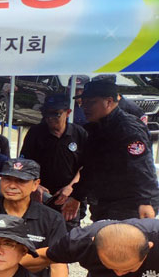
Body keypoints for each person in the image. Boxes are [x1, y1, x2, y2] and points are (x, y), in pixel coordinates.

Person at [63, 80, 158, 222]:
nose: (85, 107)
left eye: (91, 102)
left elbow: (142, 167)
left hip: (132, 203)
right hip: (106, 200)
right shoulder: (95, 128)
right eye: (84, 102)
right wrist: (77, 195)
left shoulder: (127, 129)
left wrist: (145, 201)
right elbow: (91, 168)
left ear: (109, 102)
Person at [19, 93, 87, 228]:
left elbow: (86, 167)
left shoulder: (79, 134)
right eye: (46, 114)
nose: (50, 119)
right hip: (40, 196)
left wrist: (71, 188)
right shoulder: (36, 133)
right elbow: (24, 164)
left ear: (68, 113)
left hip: (68, 197)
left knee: (67, 241)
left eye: (56, 114)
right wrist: (34, 185)